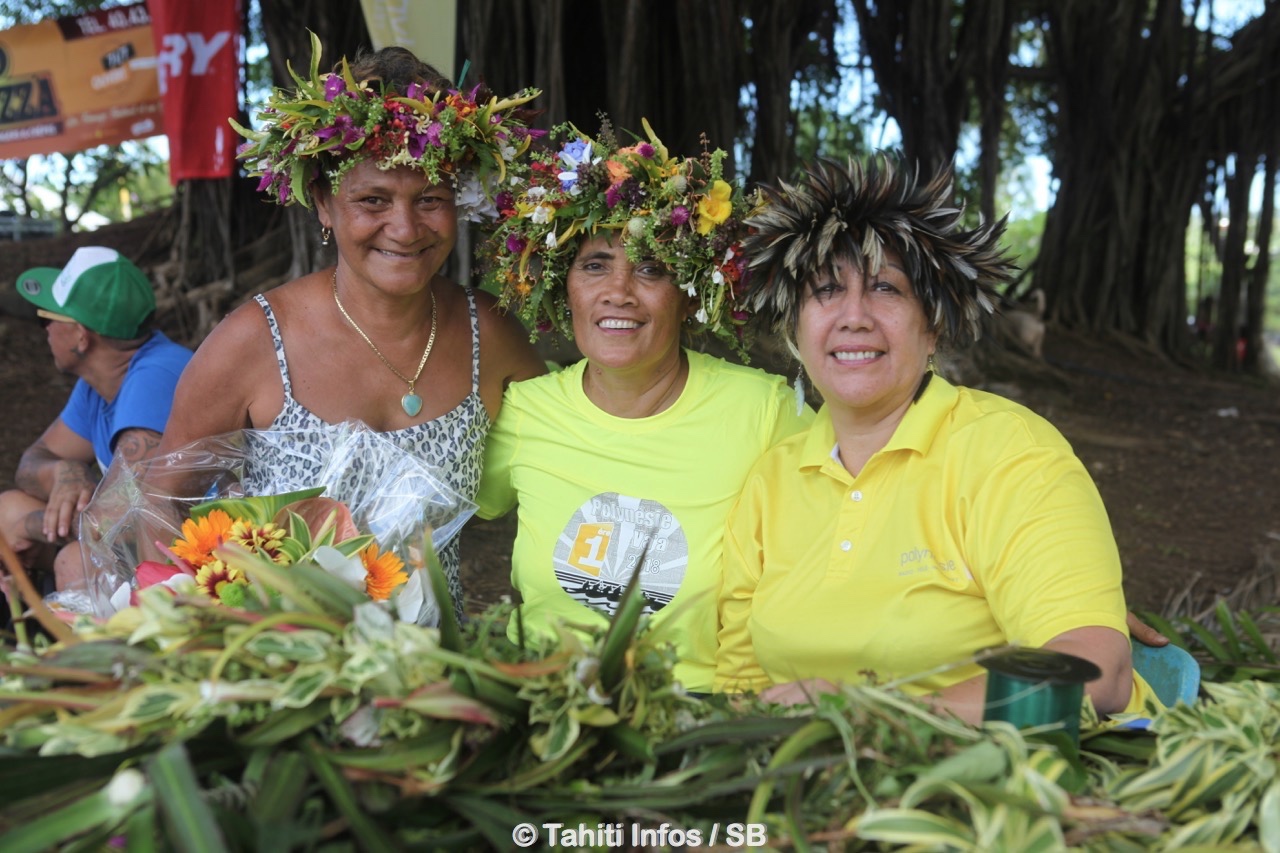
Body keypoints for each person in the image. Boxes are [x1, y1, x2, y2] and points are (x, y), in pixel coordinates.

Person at [715, 154, 1157, 721]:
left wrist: (868, 713)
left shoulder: (1010, 454)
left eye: (886, 289)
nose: (854, 316)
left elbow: (1095, 674)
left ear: (935, 326)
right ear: (793, 328)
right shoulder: (770, 483)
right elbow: (741, 683)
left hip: (1014, 783)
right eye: (826, 289)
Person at [156, 45, 547, 613]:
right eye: (372, 199)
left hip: (442, 672)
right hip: (287, 669)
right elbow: (160, 498)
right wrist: (201, 618)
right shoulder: (256, 341)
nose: (406, 228)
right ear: (322, 203)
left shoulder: (491, 333)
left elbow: (569, 453)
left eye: (430, 199)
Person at [474, 120, 813, 693]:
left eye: (652, 269)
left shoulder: (764, 411)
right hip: (543, 700)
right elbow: (441, 511)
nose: (619, 292)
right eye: (595, 264)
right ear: (566, 286)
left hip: (706, 714)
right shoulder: (526, 412)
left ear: (690, 294)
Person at [0, 246, 193, 593]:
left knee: (73, 560)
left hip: (196, 548)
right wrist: (66, 471)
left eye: (47, 319)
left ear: (80, 335)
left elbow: (123, 522)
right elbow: (32, 462)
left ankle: (80, 644)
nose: (43, 330)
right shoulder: (99, 383)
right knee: (6, 509)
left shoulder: (155, 376)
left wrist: (30, 526)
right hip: (134, 540)